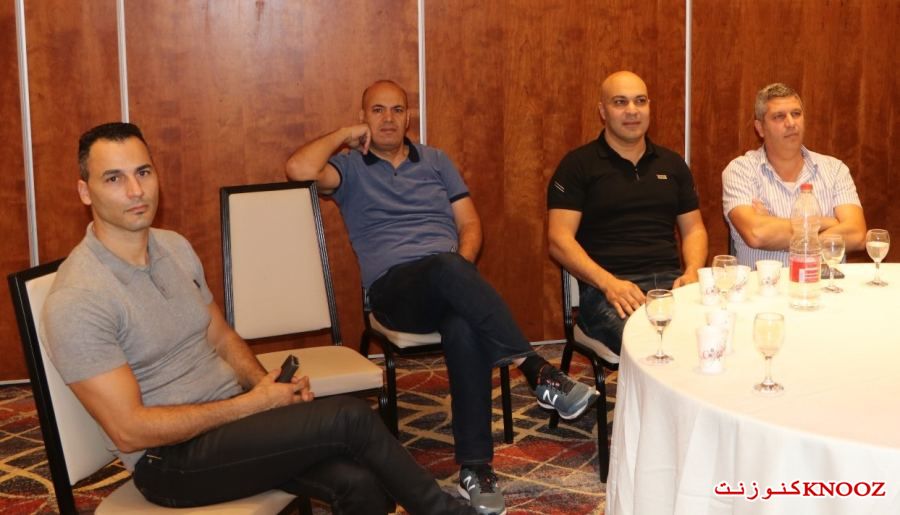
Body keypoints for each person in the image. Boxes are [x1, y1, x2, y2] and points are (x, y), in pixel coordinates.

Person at [41, 122, 475, 515]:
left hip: (232, 422)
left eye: (143, 172)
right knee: (351, 417)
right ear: (85, 192)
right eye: (114, 179)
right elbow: (129, 431)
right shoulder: (79, 298)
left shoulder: (173, 247)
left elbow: (220, 334)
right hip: (169, 461)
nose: (136, 191)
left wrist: (266, 386)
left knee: (361, 483)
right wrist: (253, 404)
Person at [285, 80, 599, 515]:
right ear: (363, 117)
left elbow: (470, 224)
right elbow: (297, 169)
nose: (389, 119)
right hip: (394, 291)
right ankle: (535, 368)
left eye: (397, 110)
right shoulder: (348, 168)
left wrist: (460, 270)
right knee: (447, 268)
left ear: (408, 116)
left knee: (463, 323)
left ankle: (476, 469)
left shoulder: (435, 160)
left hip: (448, 281)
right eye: (378, 110)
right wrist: (342, 135)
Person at [547, 70, 709, 362]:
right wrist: (609, 283)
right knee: (654, 346)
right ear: (603, 111)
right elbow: (559, 240)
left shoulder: (673, 165)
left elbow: (694, 229)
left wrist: (692, 271)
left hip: (671, 285)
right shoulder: (578, 165)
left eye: (640, 101)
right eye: (620, 102)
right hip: (607, 290)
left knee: (714, 333)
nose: (632, 110)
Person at [722, 83, 866, 267]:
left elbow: (857, 235)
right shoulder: (740, 170)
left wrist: (775, 228)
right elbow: (757, 234)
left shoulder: (835, 169)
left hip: (824, 283)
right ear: (760, 128)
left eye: (796, 114)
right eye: (779, 116)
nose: (791, 123)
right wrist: (827, 223)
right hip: (765, 285)